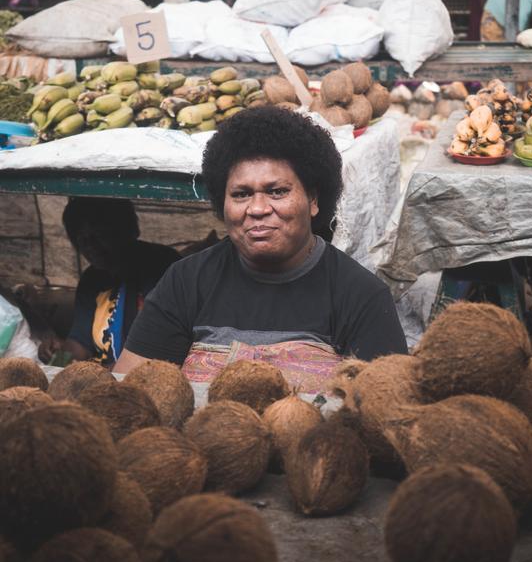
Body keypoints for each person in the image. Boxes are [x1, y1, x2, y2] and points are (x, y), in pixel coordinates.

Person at [114, 108, 407, 392]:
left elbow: (384, 412)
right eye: (241, 194)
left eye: (277, 191)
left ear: (313, 199)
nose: (257, 209)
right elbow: (130, 395)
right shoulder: (186, 281)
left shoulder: (361, 296)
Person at [62, 198, 180, 367]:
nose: (91, 247)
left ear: (125, 230)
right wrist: (60, 358)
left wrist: (106, 375)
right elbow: (79, 342)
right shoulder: (91, 280)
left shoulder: (163, 266)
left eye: (100, 235)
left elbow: (162, 345)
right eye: (83, 240)